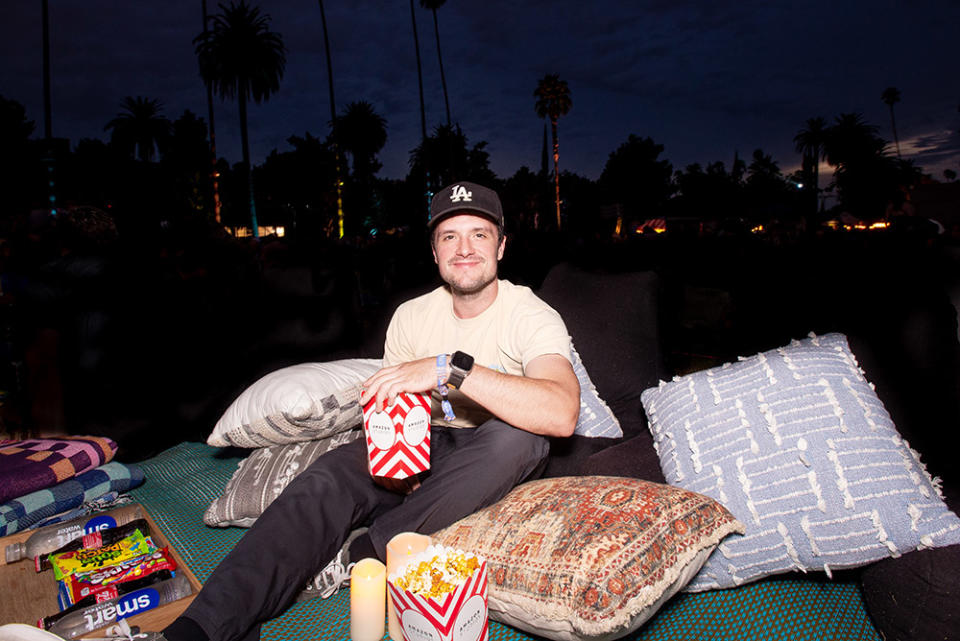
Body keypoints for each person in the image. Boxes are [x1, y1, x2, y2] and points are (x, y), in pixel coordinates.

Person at [156, 181, 580, 641]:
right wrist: (398, 453)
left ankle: (366, 552)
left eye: (479, 234)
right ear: (434, 252)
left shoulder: (529, 313)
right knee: (327, 476)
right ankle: (202, 626)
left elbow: (560, 414)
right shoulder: (412, 315)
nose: (464, 249)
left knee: (520, 437)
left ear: (501, 245)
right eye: (449, 236)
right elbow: (395, 401)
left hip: (490, 449)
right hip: (428, 438)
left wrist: (447, 370)